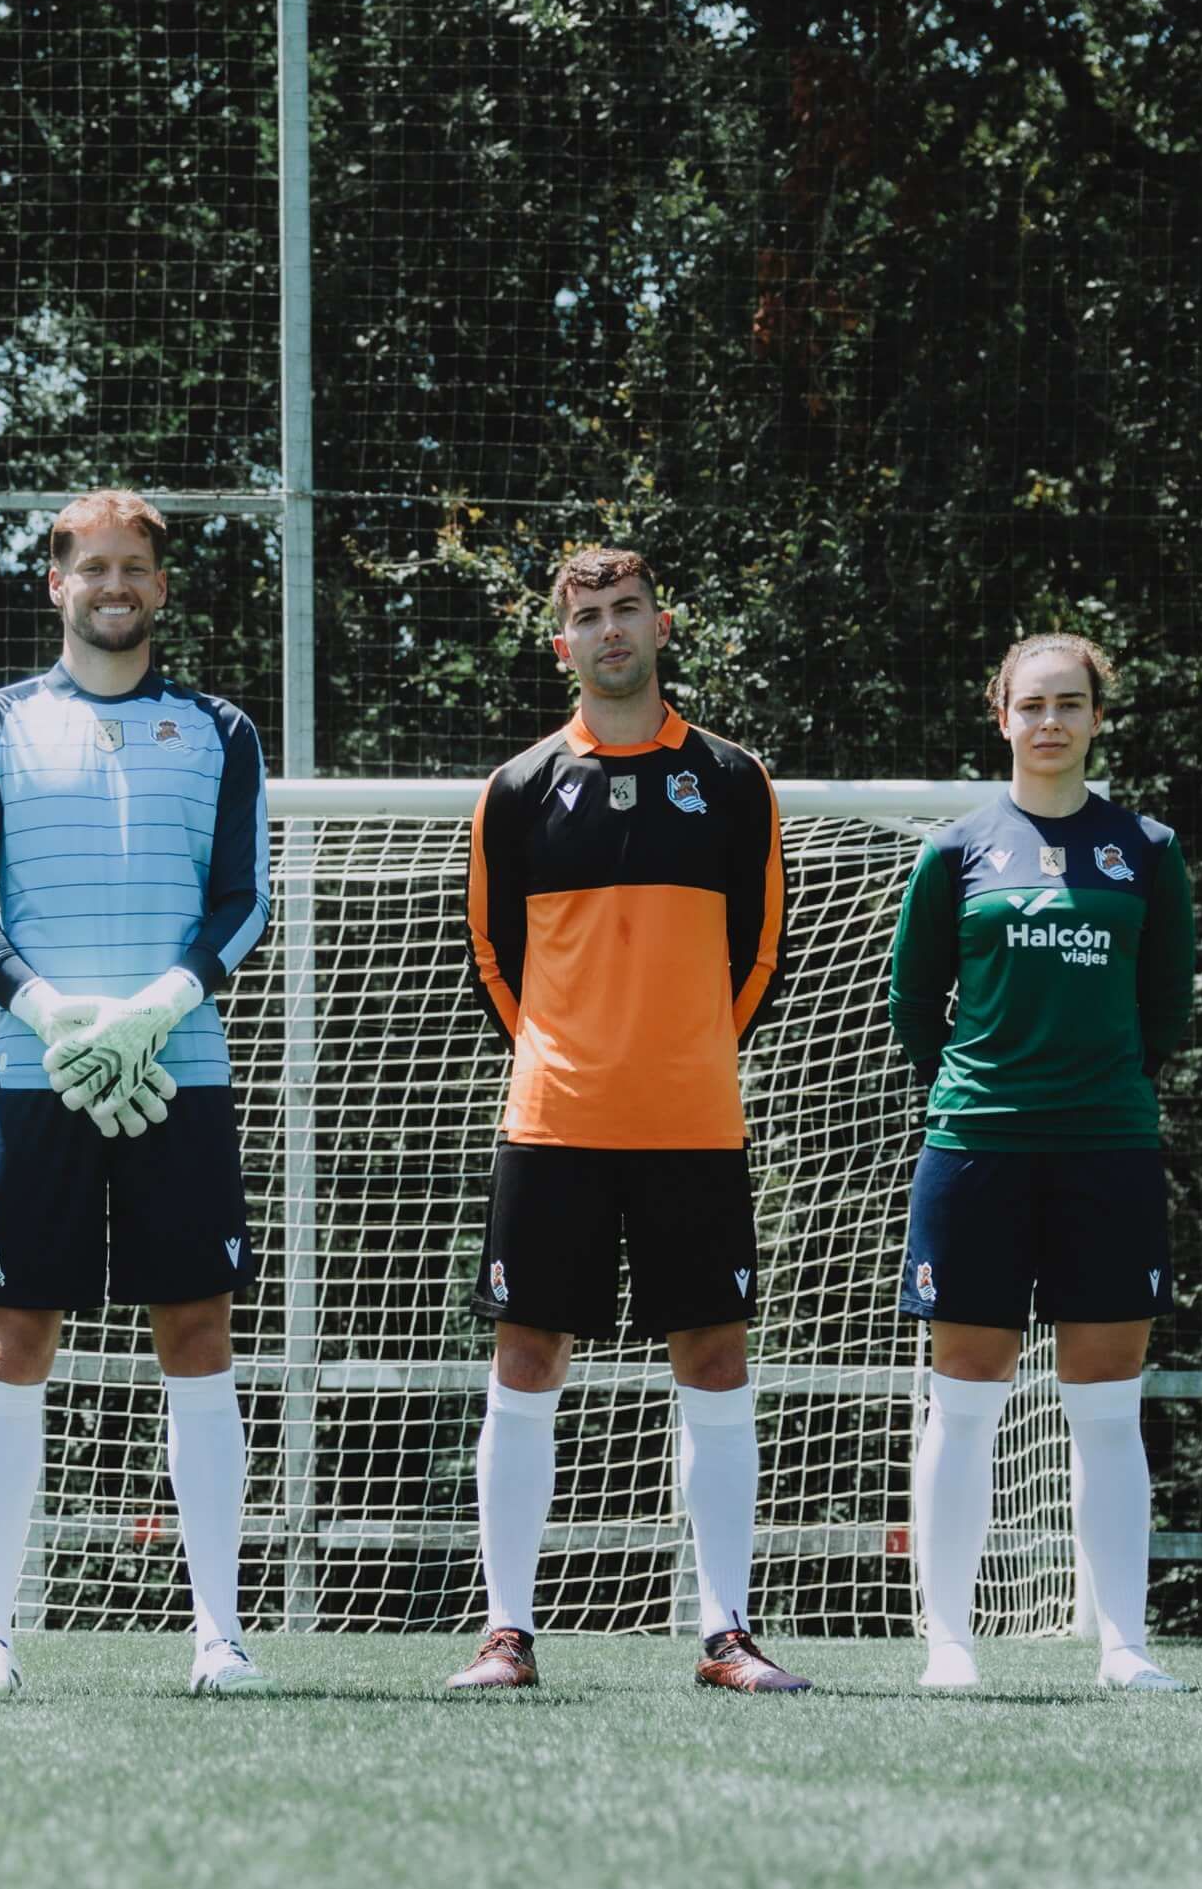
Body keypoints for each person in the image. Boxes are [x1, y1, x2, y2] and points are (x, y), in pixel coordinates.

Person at [0, 490, 270, 1699]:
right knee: (16, 1336)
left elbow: (245, 900)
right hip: (39, 1075)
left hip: (180, 1071)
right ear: (56, 584)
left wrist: (152, 1012)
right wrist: (54, 1014)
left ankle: (220, 1632)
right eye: (92, 567)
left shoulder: (220, 729)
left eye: (135, 568)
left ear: (161, 589)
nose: (113, 585)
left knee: (199, 1332)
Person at [447, 545, 804, 1695]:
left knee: (711, 1351)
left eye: (626, 609)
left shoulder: (734, 778)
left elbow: (763, 952)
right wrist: (570, 1054)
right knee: (527, 1351)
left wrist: (682, 1051)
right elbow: (491, 956)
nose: (608, 630)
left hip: (693, 1117)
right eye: (586, 616)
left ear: (661, 626)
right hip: (553, 1120)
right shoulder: (515, 788)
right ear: (562, 645)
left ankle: (726, 1633)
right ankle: (506, 1631)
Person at [885, 632, 1193, 1693]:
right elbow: (914, 1004)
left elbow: (1166, 1007)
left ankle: (1123, 1644)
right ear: (999, 714)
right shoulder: (955, 849)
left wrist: (1091, 1084)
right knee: (962, 1399)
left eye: (1070, 703)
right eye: (1032, 704)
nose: (1051, 721)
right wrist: (991, 1080)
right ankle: (949, 1643)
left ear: (1097, 717)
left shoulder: (1145, 846)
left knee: (1105, 1402)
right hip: (976, 1145)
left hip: (1107, 1146)